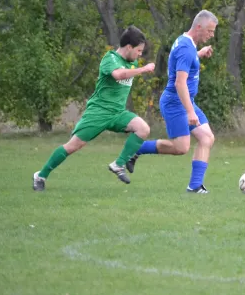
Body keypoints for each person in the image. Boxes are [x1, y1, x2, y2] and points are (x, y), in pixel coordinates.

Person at [32, 25, 155, 191]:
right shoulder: (109, 59)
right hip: (98, 112)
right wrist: (143, 70)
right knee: (73, 146)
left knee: (143, 129)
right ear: (128, 47)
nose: (140, 54)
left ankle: (118, 164)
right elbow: (119, 74)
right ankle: (40, 175)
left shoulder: (131, 62)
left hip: (117, 113)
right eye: (139, 50)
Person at [126, 10, 218, 193]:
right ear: (199, 27)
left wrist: (199, 53)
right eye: (209, 31)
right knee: (181, 147)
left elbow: (184, 61)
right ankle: (137, 148)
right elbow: (179, 82)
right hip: (176, 103)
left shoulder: (187, 43)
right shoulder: (185, 48)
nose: (212, 35)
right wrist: (190, 112)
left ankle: (195, 186)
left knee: (207, 138)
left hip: (185, 101)